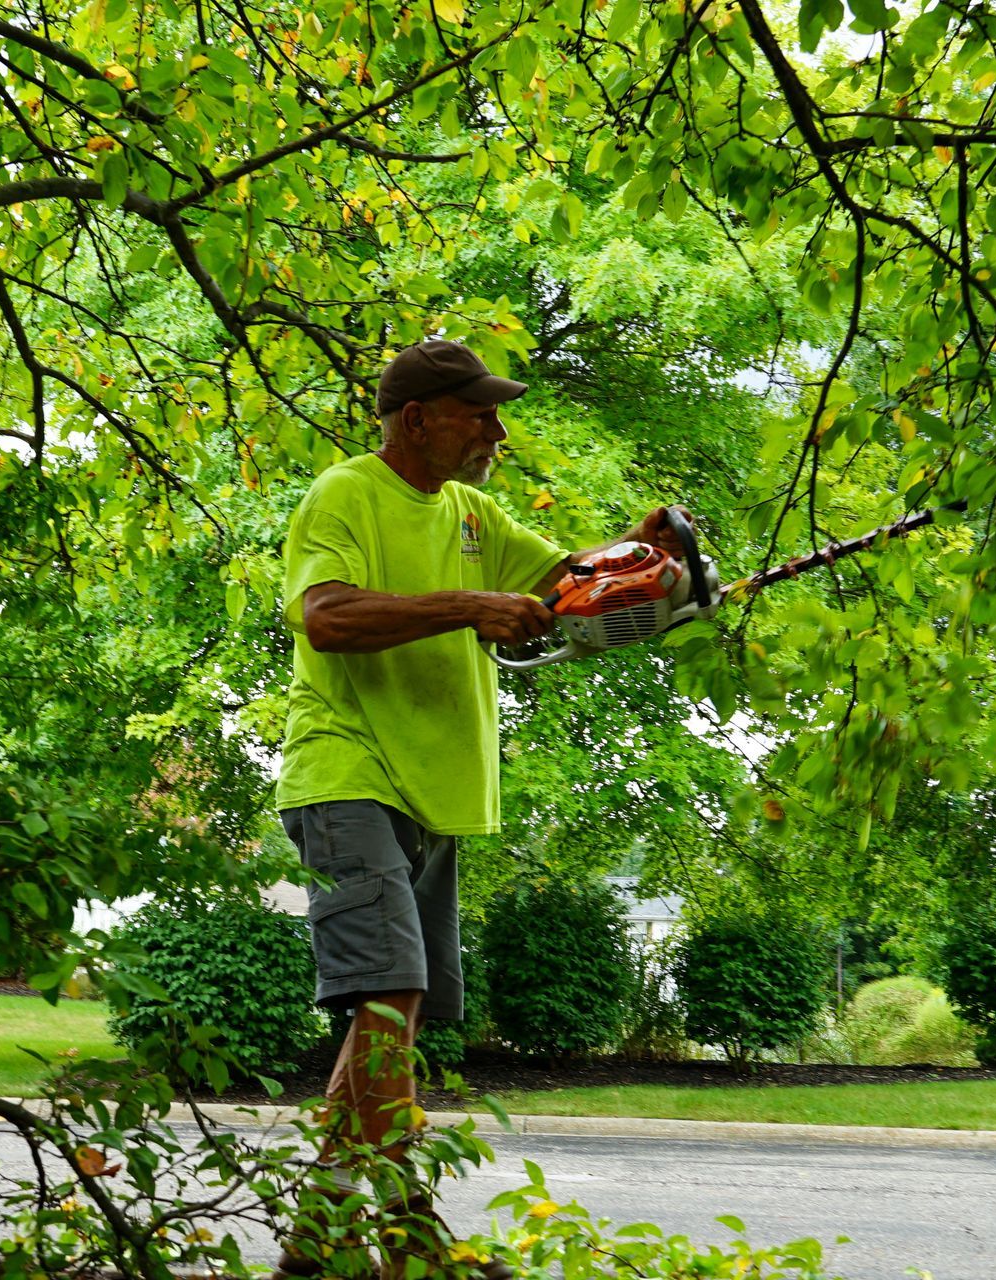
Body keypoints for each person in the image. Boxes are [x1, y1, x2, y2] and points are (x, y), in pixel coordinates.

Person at [271, 339, 692, 1278]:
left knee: (387, 1020)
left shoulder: (471, 512)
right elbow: (325, 616)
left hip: (435, 791)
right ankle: (411, 1239)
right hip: (346, 773)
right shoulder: (345, 494)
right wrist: (467, 604)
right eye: (478, 414)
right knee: (391, 995)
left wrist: (641, 555)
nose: (496, 431)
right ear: (417, 420)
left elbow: (561, 583)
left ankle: (313, 1244)